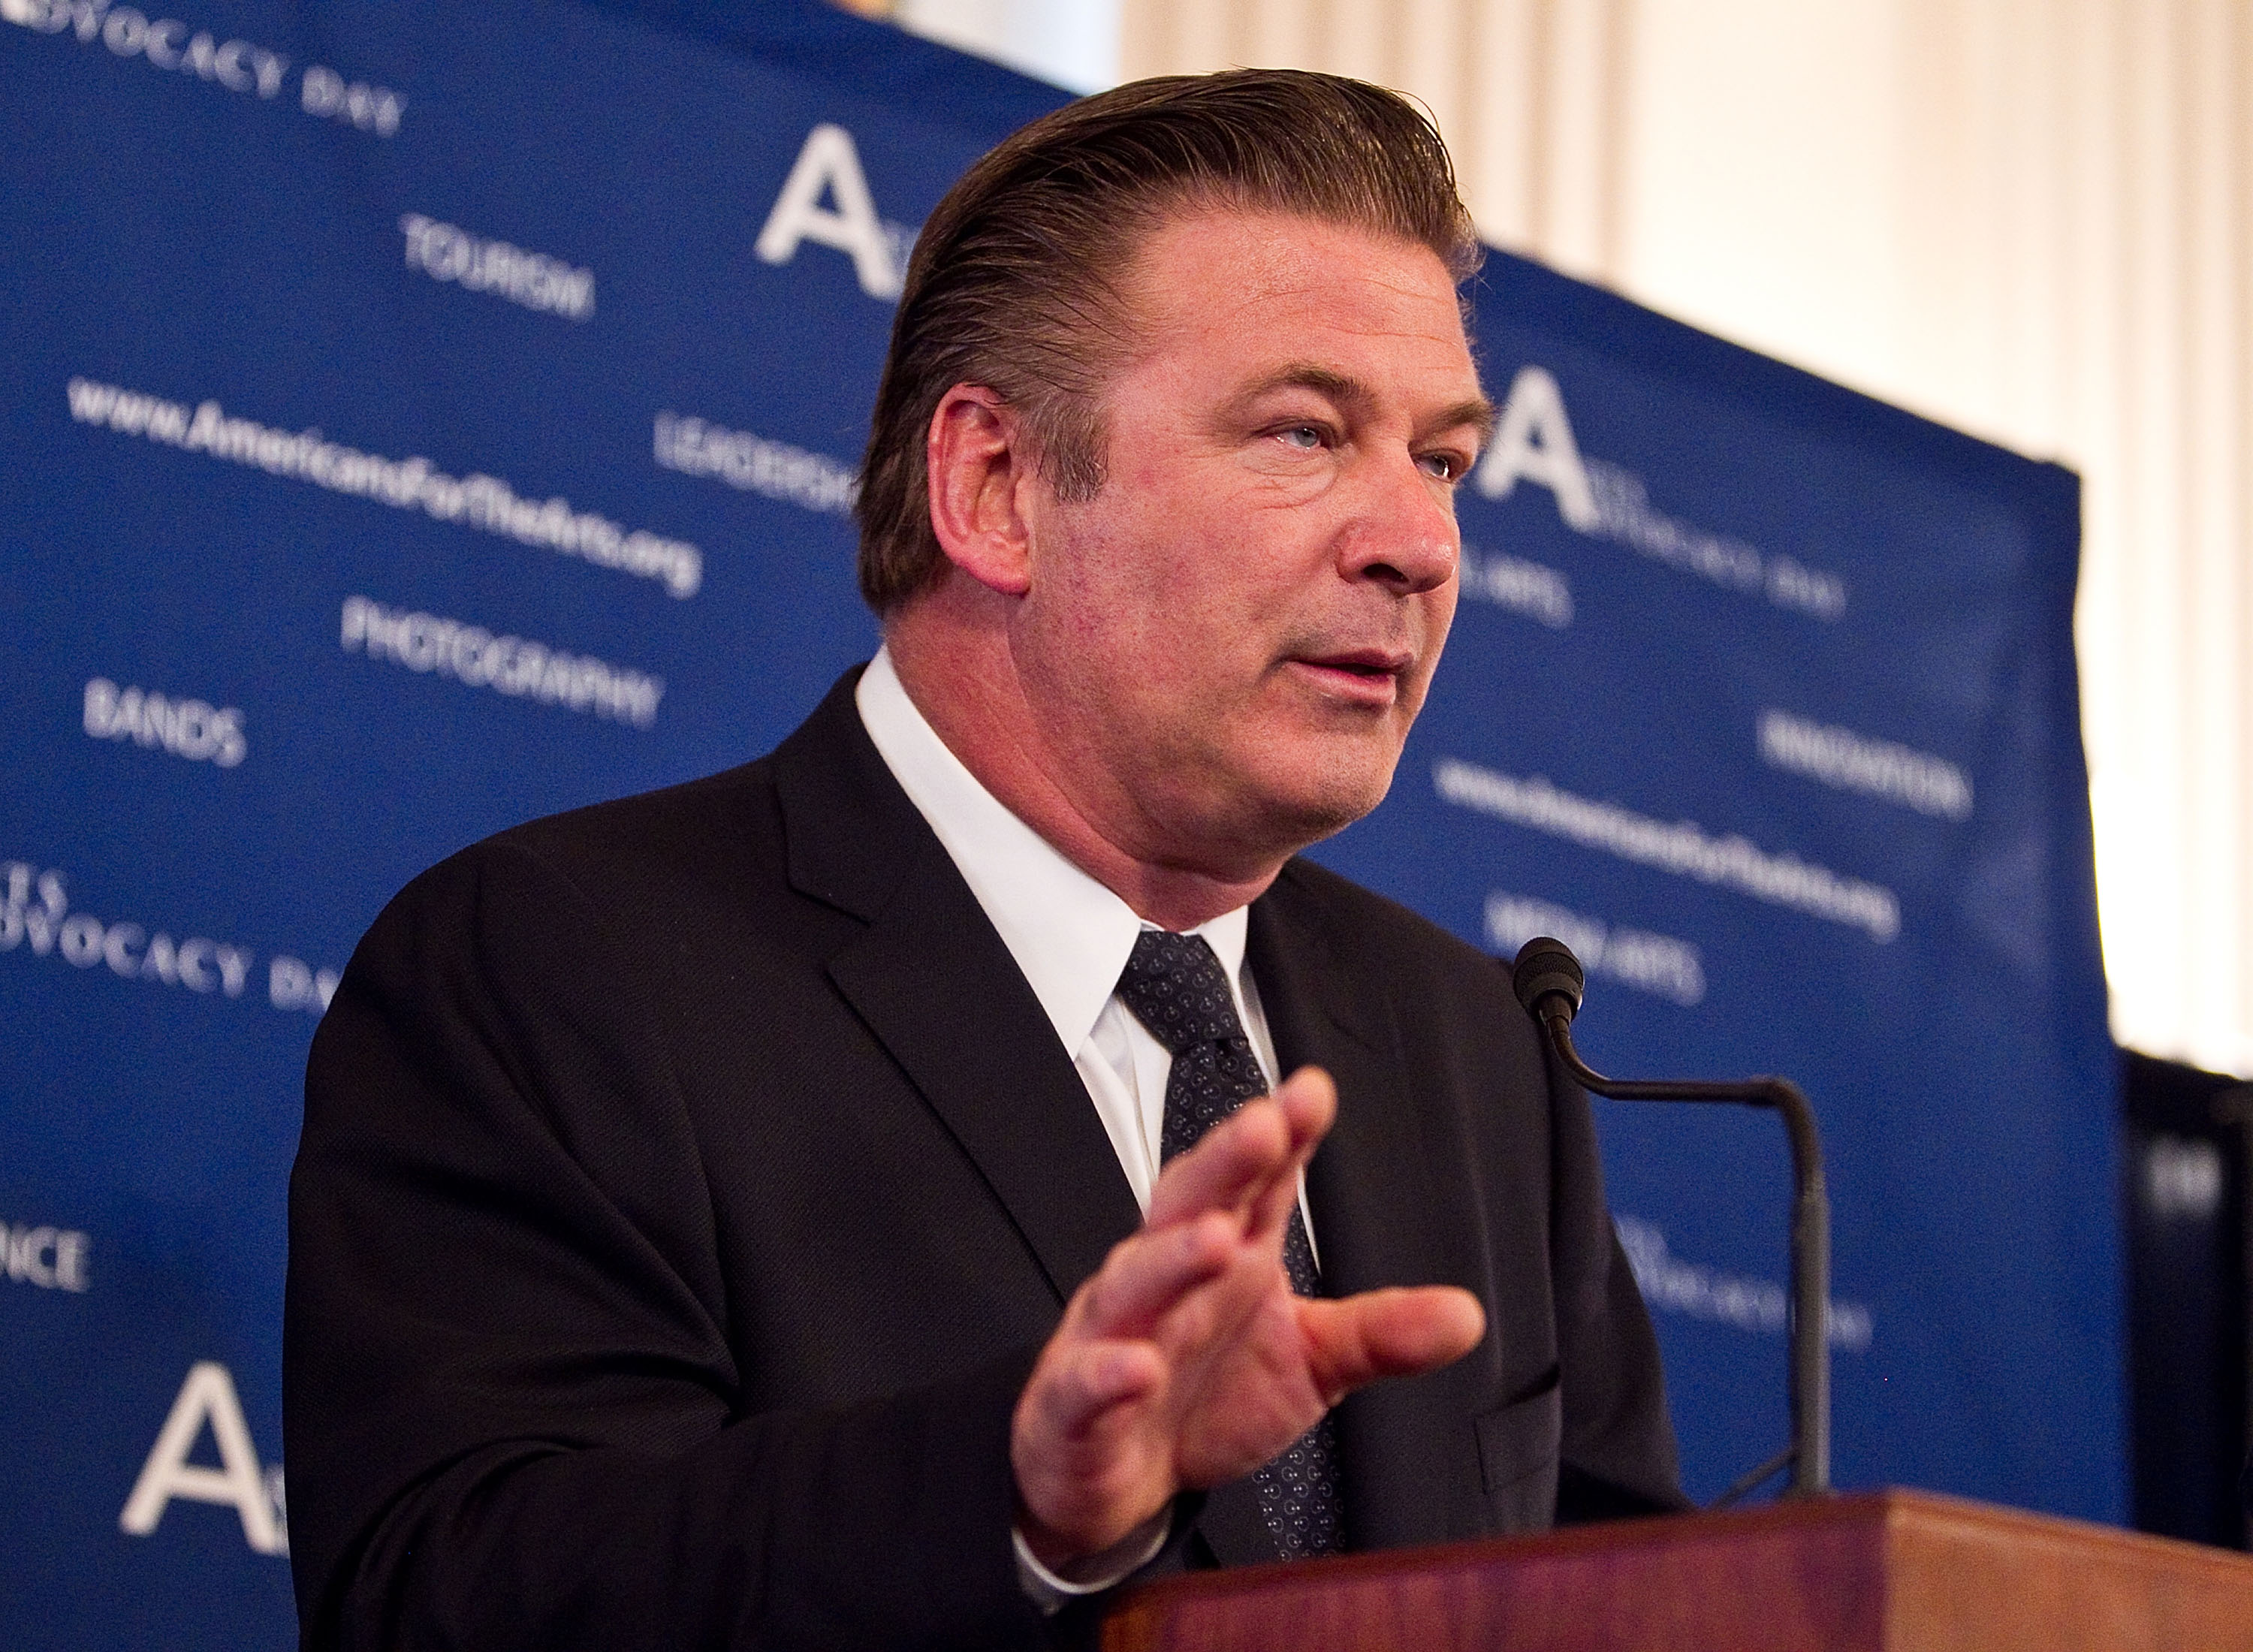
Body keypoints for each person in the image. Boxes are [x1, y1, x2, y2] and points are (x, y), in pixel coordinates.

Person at [284, 69, 1684, 1652]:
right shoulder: (559, 969)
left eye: (1440, 460)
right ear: (996, 489)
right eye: (1305, 431)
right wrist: (1019, 1500)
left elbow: (1632, 1596)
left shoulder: (1480, 1050)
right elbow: (453, 1596)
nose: (1418, 544)